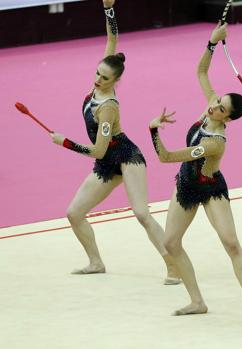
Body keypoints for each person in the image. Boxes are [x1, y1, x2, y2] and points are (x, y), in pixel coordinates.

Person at [50, 0, 179, 284]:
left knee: (142, 214)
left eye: (104, 78)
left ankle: (173, 265)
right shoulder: (102, 78)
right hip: (107, 163)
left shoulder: (108, 107)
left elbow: (98, 148)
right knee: (74, 213)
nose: (97, 79)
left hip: (125, 156)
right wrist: (109, 8)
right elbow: (112, 39)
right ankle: (95, 261)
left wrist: (65, 143)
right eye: (97, 73)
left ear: (115, 81)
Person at [148, 23, 242, 326]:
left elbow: (166, 157)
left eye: (220, 108)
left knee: (231, 243)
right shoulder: (209, 106)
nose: (213, 106)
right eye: (215, 102)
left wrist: (153, 130)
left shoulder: (214, 143)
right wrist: (211, 42)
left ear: (227, 118)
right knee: (171, 243)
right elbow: (201, 72)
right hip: (186, 183)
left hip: (210, 187)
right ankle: (197, 301)